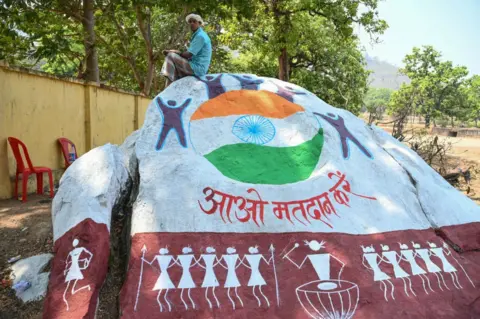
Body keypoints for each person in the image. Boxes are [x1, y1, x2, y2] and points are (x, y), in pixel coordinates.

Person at [161, 14, 212, 88]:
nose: (192, 23)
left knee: (170, 56)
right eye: (190, 22)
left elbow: (188, 55)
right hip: (194, 65)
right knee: (173, 61)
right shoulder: (197, 35)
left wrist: (175, 52)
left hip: (197, 68)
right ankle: (169, 87)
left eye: (194, 21)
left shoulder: (200, 36)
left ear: (199, 23)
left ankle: (169, 86)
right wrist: (176, 52)